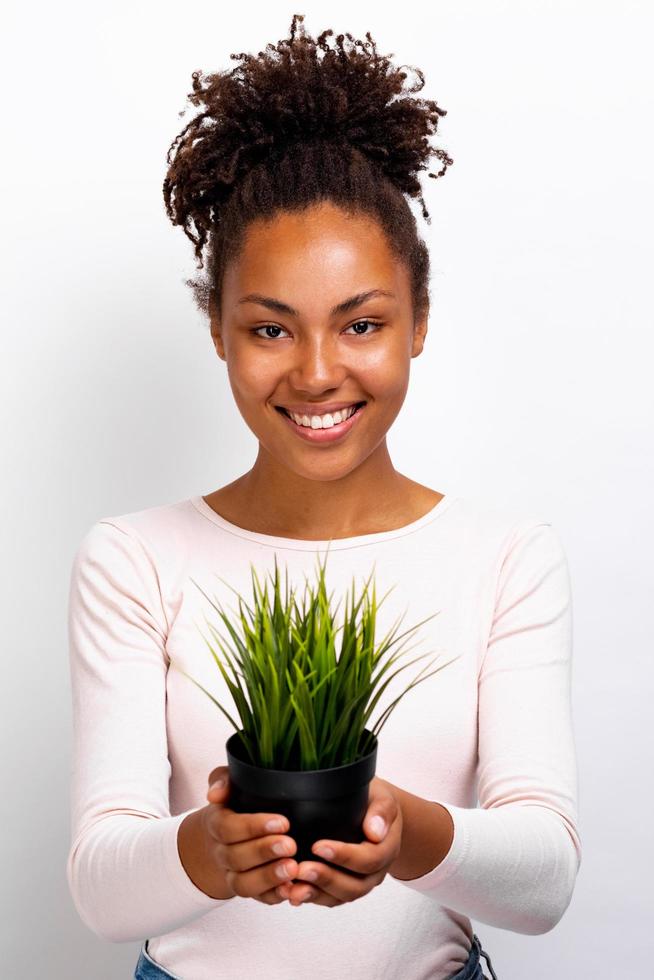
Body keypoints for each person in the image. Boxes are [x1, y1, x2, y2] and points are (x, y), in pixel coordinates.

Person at [65, 13, 580, 980]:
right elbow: (100, 884)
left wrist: (404, 831)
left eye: (361, 324)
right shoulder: (134, 559)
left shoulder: (507, 558)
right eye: (270, 330)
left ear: (416, 323)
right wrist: (210, 850)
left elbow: (546, 880)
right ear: (217, 330)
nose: (316, 373)